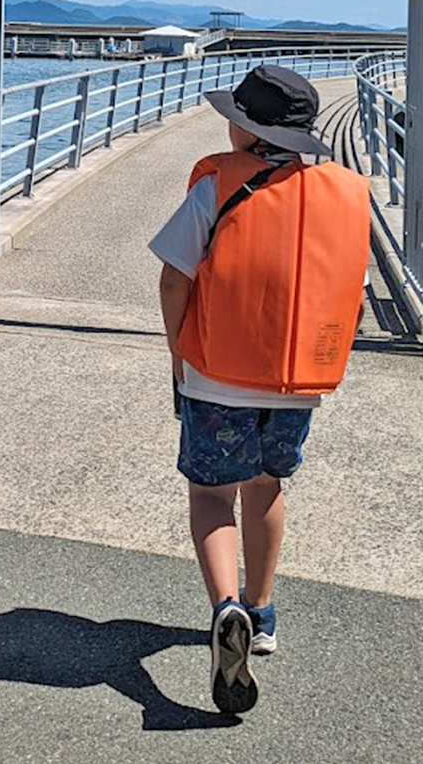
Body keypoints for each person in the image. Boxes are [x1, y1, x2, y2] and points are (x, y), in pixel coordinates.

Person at [148, 65, 371, 715]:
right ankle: (262, 613)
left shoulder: (218, 184)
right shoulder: (347, 192)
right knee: (266, 488)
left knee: (212, 495)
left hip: (217, 372)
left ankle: (224, 608)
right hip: (299, 378)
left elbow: (172, 279)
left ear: (244, 127)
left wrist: (176, 351)